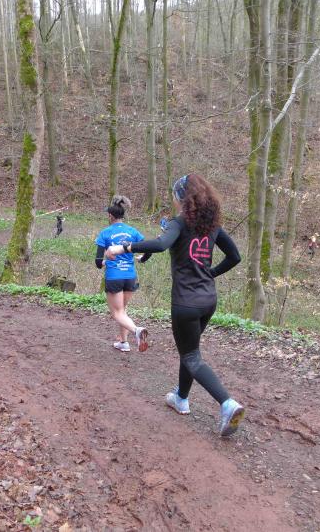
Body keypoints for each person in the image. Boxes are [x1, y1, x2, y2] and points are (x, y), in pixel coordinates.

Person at [106, 174, 244, 437]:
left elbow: (160, 244)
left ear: (182, 198)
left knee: (191, 356)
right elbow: (234, 256)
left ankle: (227, 403)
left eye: (173, 195)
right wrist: (210, 274)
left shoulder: (179, 223)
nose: (172, 199)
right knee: (190, 351)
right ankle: (181, 398)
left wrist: (122, 248)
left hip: (186, 303)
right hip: (208, 300)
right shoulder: (212, 225)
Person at [95, 196, 151, 353]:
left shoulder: (105, 233)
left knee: (117, 313)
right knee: (123, 310)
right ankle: (124, 342)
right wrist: (142, 259)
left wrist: (105, 262)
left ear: (110, 216)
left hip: (114, 277)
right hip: (130, 277)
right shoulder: (133, 231)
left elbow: (98, 262)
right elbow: (149, 248)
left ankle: (137, 331)